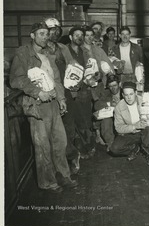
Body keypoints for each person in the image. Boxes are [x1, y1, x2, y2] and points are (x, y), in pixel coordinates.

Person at [9, 21, 77, 193]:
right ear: (32, 35)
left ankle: (63, 175)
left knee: (60, 142)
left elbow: (56, 79)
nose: (45, 37)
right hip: (37, 106)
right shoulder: (23, 53)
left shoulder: (48, 54)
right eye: (41, 34)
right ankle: (47, 182)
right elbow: (16, 79)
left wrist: (61, 99)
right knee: (42, 146)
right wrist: (38, 92)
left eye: (47, 34)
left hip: (53, 104)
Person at [45, 17, 81, 174]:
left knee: (68, 126)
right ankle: (55, 163)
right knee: (52, 130)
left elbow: (73, 66)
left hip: (65, 91)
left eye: (57, 30)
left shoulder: (63, 48)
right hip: (47, 93)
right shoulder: (39, 49)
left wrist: (76, 81)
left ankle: (71, 157)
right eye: (51, 30)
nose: (54, 32)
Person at [64, 26, 96, 159]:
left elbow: (91, 69)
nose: (79, 37)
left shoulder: (86, 51)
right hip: (69, 93)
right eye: (76, 35)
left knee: (85, 121)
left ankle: (87, 147)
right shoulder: (64, 51)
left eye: (81, 35)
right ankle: (75, 151)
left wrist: (92, 77)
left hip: (84, 92)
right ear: (71, 37)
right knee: (71, 123)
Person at [111, 81, 149, 165]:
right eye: (126, 95)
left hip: (144, 131)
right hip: (130, 133)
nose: (129, 97)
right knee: (114, 149)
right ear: (123, 95)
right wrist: (134, 127)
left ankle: (147, 151)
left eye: (131, 94)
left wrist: (145, 122)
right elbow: (118, 128)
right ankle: (135, 148)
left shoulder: (144, 101)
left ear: (136, 93)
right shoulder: (119, 107)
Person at [92, 74, 121, 150]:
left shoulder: (124, 92)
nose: (113, 88)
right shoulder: (106, 93)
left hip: (124, 116)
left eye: (115, 85)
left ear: (119, 84)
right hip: (112, 116)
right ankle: (110, 143)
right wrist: (109, 104)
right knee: (106, 121)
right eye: (110, 86)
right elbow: (96, 105)